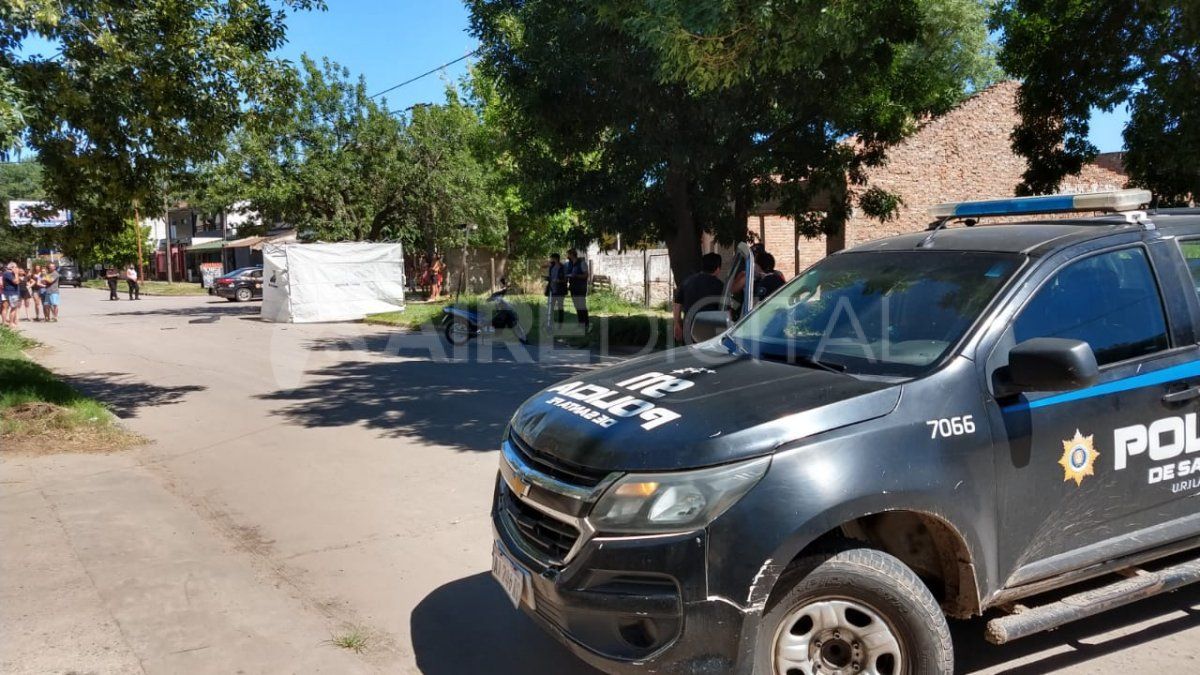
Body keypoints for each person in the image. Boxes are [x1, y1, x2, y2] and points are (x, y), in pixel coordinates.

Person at [673, 252, 725, 343]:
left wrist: (677, 324)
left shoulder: (687, 281)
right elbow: (726, 311)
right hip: (709, 332)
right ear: (717, 269)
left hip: (688, 329)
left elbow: (677, 304)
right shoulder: (719, 286)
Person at [565, 248, 590, 328]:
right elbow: (568, 273)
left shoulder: (582, 263)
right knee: (576, 306)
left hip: (581, 288)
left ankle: (586, 324)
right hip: (573, 287)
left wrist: (576, 276)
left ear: (572, 255)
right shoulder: (570, 264)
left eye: (568, 254)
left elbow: (586, 275)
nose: (567, 256)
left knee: (582, 305)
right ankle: (580, 323)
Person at [545, 253, 567, 325]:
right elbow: (551, 277)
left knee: (560, 307)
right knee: (550, 307)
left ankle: (560, 323)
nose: (551, 260)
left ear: (556, 258)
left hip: (560, 290)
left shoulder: (562, 267)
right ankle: (550, 322)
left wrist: (559, 281)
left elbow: (565, 279)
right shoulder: (551, 267)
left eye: (552, 258)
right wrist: (547, 278)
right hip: (552, 290)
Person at [3, 262, 22, 327]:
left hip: (8, 293)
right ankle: (11, 323)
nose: (17, 268)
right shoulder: (8, 273)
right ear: (12, 267)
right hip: (12, 293)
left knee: (5, 308)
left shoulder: (6, 273)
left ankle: (4, 323)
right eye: (16, 267)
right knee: (13, 308)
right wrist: (16, 274)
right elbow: (16, 282)